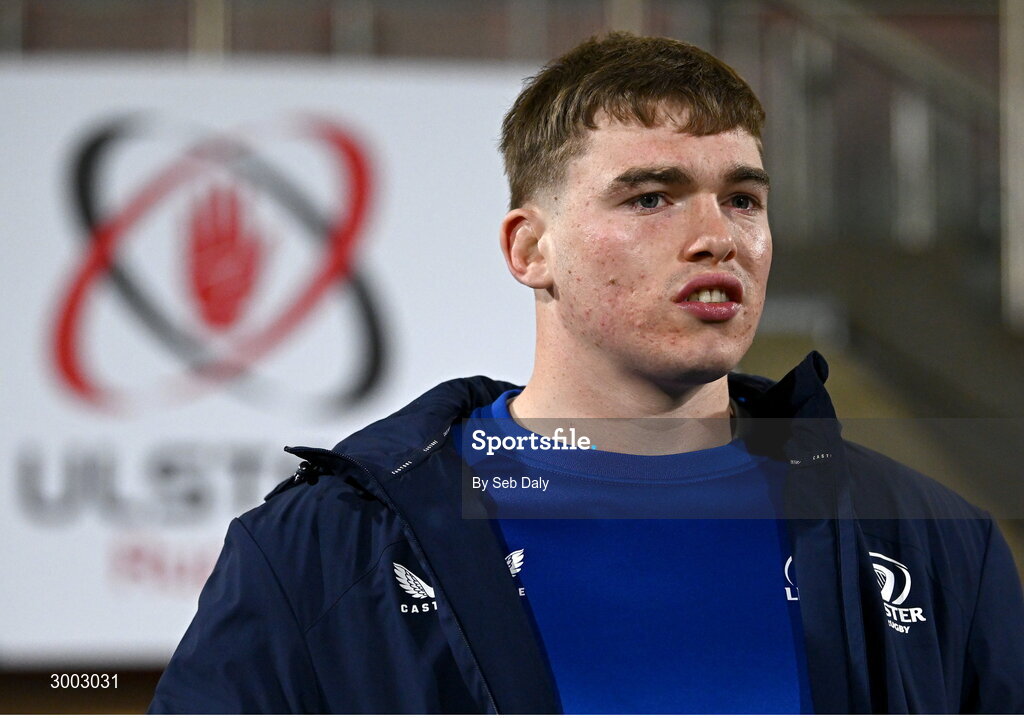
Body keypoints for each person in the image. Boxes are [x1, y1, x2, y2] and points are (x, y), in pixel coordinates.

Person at [150, 32, 1024, 713]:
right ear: (531, 249)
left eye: (743, 199)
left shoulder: (936, 543)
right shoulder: (320, 551)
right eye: (651, 197)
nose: (717, 237)